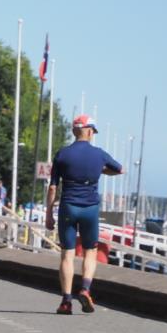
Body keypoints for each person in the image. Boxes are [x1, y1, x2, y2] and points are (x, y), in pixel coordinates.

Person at [44, 114, 123, 315]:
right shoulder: (99, 154)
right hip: (90, 209)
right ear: (89, 131)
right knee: (90, 251)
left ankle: (65, 301)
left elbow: (53, 187)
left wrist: (49, 214)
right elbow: (120, 169)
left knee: (67, 255)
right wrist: (101, 170)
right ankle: (86, 289)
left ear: (74, 131)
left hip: (68, 207)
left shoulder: (62, 154)